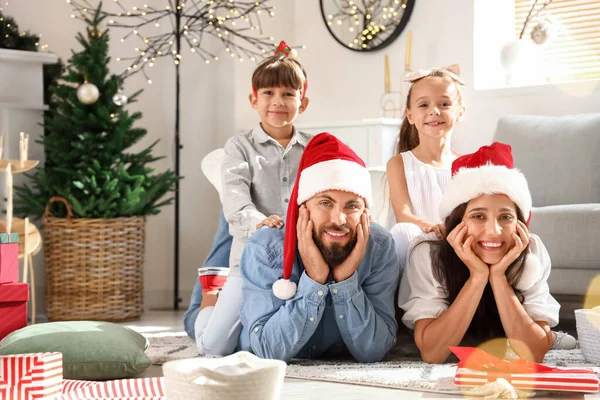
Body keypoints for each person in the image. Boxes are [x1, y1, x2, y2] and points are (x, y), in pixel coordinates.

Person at [190, 40, 312, 356]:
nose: (278, 101)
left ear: (303, 102)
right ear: (253, 100)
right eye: (269, 93)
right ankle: (209, 302)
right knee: (214, 348)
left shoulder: (314, 147)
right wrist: (260, 223)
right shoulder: (240, 147)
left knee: (287, 346)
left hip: (301, 265)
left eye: (288, 94)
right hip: (248, 265)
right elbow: (234, 198)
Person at [239, 133, 400, 363]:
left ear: (365, 213)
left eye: (352, 206)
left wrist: (345, 280)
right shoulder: (266, 247)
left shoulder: (380, 246)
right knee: (214, 338)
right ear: (304, 208)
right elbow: (268, 351)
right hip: (244, 287)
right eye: (325, 203)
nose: (339, 219)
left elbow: (374, 349)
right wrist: (314, 279)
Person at [398, 142, 563, 364]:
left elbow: (533, 355)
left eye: (505, 217)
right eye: (478, 216)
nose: (494, 231)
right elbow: (433, 353)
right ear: (457, 221)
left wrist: (498, 277)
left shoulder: (531, 250)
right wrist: (477, 277)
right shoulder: (428, 253)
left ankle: (552, 336)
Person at [385, 64, 465, 268]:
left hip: (455, 247)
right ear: (410, 115)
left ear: (460, 112)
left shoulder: (467, 165)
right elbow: (404, 215)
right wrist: (431, 228)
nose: (434, 111)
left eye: (444, 104)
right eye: (423, 105)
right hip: (415, 245)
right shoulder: (399, 164)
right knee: (403, 231)